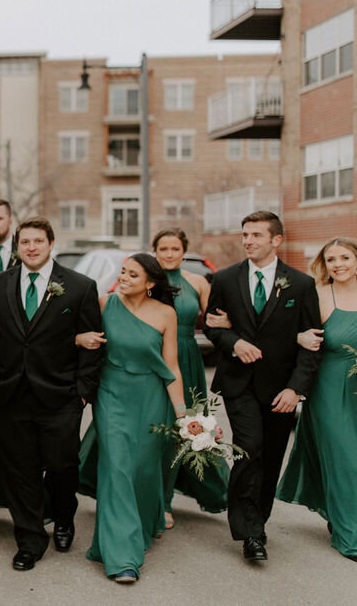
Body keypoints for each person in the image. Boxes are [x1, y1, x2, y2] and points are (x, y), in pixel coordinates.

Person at [0, 217, 103, 572]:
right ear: (17, 247)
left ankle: (63, 517)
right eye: (25, 242)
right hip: (9, 394)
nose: (31, 247)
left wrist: (82, 392)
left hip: (61, 395)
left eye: (38, 241)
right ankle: (30, 540)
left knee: (63, 465)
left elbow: (92, 344)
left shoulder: (79, 286)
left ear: (51, 244)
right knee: (20, 470)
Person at [203, 211, 320, 562]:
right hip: (239, 384)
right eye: (245, 234)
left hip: (280, 388)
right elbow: (212, 326)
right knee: (249, 448)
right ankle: (250, 532)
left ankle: (258, 519)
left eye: (256, 235)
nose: (248, 241)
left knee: (270, 459)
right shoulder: (224, 278)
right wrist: (233, 342)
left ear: (276, 240)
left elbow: (311, 342)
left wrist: (296, 389)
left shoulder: (300, 285)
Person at [79, 254, 186, 583]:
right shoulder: (103, 303)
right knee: (117, 468)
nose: (123, 277)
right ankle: (122, 555)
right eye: (123, 272)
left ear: (150, 283)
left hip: (152, 399)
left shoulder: (167, 314)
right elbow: (74, 339)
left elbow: (171, 367)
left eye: (132, 274)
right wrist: (77, 339)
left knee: (142, 469)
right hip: (112, 396)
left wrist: (184, 414)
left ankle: (139, 527)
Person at [277, 236, 357, 562]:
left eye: (344, 258)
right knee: (345, 459)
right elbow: (283, 334)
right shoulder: (321, 296)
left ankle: (339, 513)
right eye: (331, 259)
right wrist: (299, 336)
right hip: (329, 389)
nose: (337, 265)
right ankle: (350, 535)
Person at [151, 228, 228, 528]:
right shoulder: (148, 281)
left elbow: (213, 323)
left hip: (187, 359)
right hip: (155, 359)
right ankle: (158, 500)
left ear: (184, 251)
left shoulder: (198, 282)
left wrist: (228, 323)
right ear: (155, 251)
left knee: (183, 430)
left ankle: (170, 498)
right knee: (157, 432)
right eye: (163, 249)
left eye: (175, 249)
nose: (169, 254)